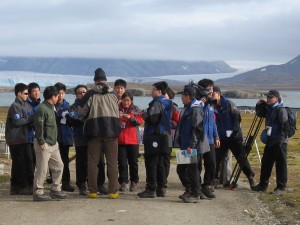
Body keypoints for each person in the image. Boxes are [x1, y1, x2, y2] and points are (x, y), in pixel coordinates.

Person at [79, 67, 121, 199]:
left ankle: (92, 191)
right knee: (112, 162)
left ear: (95, 81)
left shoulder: (90, 94)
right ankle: (113, 191)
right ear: (105, 80)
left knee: (93, 162)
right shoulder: (113, 94)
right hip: (112, 132)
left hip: (94, 132)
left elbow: (82, 111)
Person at [212, 86, 256, 188]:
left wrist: (235, 131)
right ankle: (213, 179)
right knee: (216, 159)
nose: (212, 96)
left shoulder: (228, 103)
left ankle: (250, 177)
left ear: (219, 94)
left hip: (234, 137)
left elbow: (237, 117)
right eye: (211, 95)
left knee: (241, 158)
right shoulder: (212, 106)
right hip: (222, 137)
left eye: (214, 94)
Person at [174, 83, 208, 203]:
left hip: (192, 147)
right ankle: (190, 189)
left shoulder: (196, 109)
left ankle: (195, 194)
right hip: (186, 145)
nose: (181, 97)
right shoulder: (188, 108)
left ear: (188, 96)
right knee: (181, 170)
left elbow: (197, 129)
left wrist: (191, 146)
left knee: (192, 170)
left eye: (183, 95)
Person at [33, 86, 68, 201]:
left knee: (59, 166)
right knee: (42, 169)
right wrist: (41, 142)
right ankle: (38, 192)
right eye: (57, 96)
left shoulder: (51, 107)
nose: (58, 98)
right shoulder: (42, 109)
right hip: (45, 144)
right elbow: (39, 127)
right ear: (53, 96)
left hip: (53, 144)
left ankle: (56, 189)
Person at [138, 81, 172, 198]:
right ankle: (161, 188)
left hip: (154, 135)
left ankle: (151, 188)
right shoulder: (168, 102)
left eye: (153, 89)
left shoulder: (158, 103)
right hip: (164, 135)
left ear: (159, 91)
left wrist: (144, 114)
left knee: (151, 162)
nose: (151, 91)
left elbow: (152, 119)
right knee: (161, 163)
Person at [252, 90, 289, 194]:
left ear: (277, 98)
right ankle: (263, 185)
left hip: (280, 142)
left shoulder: (280, 110)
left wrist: (280, 141)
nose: (268, 99)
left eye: (271, 97)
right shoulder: (268, 109)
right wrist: (258, 105)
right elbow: (260, 114)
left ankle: (281, 187)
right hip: (270, 140)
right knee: (266, 163)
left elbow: (285, 127)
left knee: (281, 164)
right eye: (267, 97)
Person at [5, 83, 34, 195]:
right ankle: (21, 187)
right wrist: (30, 119)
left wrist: (29, 119)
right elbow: (17, 122)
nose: (28, 95)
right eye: (26, 93)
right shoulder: (14, 106)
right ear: (19, 94)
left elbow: (28, 119)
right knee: (19, 163)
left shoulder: (27, 105)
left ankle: (18, 186)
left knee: (27, 162)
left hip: (25, 138)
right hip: (16, 139)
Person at [197, 79, 220, 198]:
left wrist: (216, 136)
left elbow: (213, 122)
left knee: (211, 164)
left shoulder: (211, 105)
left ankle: (206, 185)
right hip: (199, 139)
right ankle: (196, 187)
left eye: (212, 89)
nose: (212, 91)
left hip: (210, 139)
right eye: (209, 89)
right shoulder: (198, 104)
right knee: (197, 165)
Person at [118, 91, 144, 192]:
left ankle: (134, 181)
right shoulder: (117, 108)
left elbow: (140, 121)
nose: (126, 102)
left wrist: (130, 118)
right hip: (120, 140)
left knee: (133, 162)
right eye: (124, 100)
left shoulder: (136, 109)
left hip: (133, 140)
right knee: (122, 163)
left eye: (128, 100)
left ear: (131, 101)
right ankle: (124, 182)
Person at [67, 85, 88, 195]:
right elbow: (74, 120)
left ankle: (95, 183)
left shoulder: (92, 105)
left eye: (84, 92)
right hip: (80, 138)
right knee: (81, 163)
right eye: (80, 92)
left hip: (93, 139)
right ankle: (81, 184)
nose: (82, 94)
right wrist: (87, 119)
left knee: (95, 162)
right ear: (76, 95)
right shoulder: (73, 107)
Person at [54, 82, 74, 192]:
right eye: (58, 93)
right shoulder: (51, 106)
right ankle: (55, 181)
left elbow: (72, 122)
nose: (61, 95)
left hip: (65, 137)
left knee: (64, 161)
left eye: (62, 93)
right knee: (53, 161)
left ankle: (66, 182)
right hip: (54, 138)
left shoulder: (69, 106)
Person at [164, 87, 180, 183]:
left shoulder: (173, 107)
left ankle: (164, 179)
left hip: (169, 136)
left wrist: (165, 122)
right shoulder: (159, 105)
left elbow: (177, 123)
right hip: (160, 136)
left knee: (166, 158)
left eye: (164, 95)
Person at [27, 82, 42, 170]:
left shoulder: (40, 105)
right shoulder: (27, 105)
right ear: (29, 93)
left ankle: (34, 179)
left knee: (38, 160)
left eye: (38, 91)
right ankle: (29, 180)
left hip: (38, 137)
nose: (36, 93)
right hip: (28, 137)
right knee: (30, 160)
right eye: (34, 91)